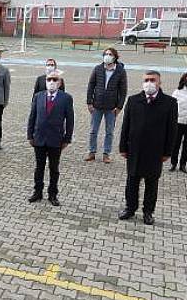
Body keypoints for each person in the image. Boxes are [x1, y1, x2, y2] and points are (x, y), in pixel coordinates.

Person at [118, 70, 177, 225]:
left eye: (153, 80)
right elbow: (126, 125)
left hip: (155, 151)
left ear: (159, 83)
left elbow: (172, 130)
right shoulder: (133, 100)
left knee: (152, 184)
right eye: (146, 80)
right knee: (132, 181)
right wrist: (123, 146)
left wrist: (167, 152)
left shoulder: (170, 103)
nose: (149, 83)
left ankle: (148, 212)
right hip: (135, 150)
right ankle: (130, 208)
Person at [27, 70, 74, 207]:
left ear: (59, 83)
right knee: (39, 167)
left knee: (54, 168)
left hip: (56, 139)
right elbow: (32, 117)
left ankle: (53, 194)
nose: (51, 82)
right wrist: (30, 135)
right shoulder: (38, 96)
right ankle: (37, 192)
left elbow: (70, 120)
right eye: (49, 80)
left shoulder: (66, 98)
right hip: (39, 138)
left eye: (54, 80)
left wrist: (67, 138)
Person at [85, 47, 128, 164]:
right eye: (105, 54)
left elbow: (123, 91)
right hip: (96, 106)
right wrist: (89, 102)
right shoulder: (98, 69)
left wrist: (119, 107)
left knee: (109, 132)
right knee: (93, 130)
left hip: (111, 108)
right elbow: (91, 86)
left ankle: (106, 154)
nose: (107, 56)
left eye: (110, 54)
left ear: (115, 57)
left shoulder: (120, 71)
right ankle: (92, 152)